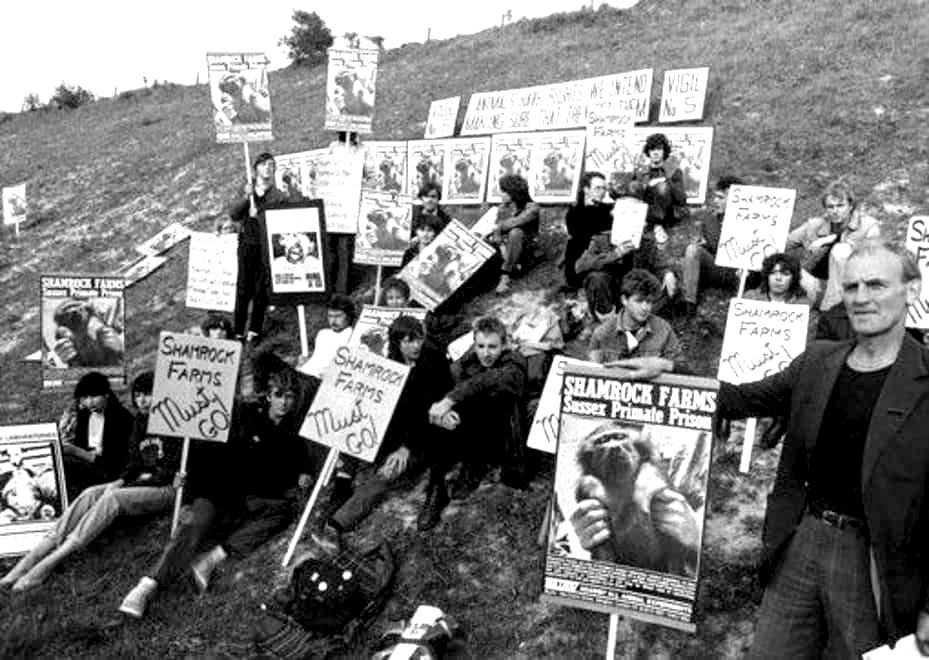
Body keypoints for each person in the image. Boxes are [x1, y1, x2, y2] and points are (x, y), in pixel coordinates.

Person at [712, 240, 929, 657]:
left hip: (876, 561)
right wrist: (671, 374)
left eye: (877, 285)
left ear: (912, 291)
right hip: (803, 537)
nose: (861, 298)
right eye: (851, 287)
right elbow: (743, 398)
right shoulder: (818, 360)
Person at [118, 367, 316, 618]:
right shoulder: (244, 416)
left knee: (281, 514)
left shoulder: (292, 433)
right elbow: (203, 456)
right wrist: (187, 498)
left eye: (290, 397)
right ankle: (148, 584)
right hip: (217, 491)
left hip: (250, 500)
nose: (284, 402)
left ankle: (212, 558)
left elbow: (302, 464)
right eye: (279, 395)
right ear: (268, 396)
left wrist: (303, 474)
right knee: (193, 522)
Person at [1, 371, 182, 592]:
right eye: (138, 395)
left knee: (112, 497)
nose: (142, 400)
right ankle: (31, 558)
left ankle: (50, 563)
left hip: (165, 489)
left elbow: (166, 473)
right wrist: (123, 480)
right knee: (90, 494)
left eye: (149, 394)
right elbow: (134, 462)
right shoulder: (141, 422)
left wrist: (126, 484)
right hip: (139, 481)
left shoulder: (175, 424)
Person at [313, 316, 455, 550]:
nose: (415, 346)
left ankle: (336, 525)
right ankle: (342, 483)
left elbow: (429, 411)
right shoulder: (392, 366)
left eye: (418, 339)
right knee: (353, 431)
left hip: (425, 435)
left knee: (388, 473)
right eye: (407, 341)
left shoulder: (434, 361)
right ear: (397, 343)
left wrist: (406, 448)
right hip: (396, 432)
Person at [427, 316, 529, 497]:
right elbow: (453, 374)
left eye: (492, 347)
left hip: (506, 431)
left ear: (504, 345)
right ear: (474, 345)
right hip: (477, 428)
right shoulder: (470, 359)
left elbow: (492, 379)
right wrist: (447, 410)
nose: (486, 353)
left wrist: (450, 400)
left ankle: (507, 469)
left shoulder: (515, 361)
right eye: (481, 346)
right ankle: (465, 469)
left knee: (500, 399)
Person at [785, 180, 880, 310]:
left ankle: (832, 310)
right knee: (788, 269)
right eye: (830, 207)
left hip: (852, 291)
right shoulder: (814, 225)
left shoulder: (868, 226)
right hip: (817, 286)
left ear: (851, 206)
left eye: (840, 206)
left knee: (841, 250)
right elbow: (782, 242)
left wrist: (833, 240)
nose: (835, 211)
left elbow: (874, 261)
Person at [225, 152, 290, 343]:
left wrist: (259, 215)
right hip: (247, 243)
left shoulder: (278, 195)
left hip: (266, 245)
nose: (268, 168)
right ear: (255, 169)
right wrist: (247, 198)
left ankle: (254, 330)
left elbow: (280, 223)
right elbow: (234, 215)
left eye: (271, 165)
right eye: (263, 165)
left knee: (261, 288)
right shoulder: (247, 189)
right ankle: (238, 330)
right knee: (243, 288)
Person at [587, 269, 684, 371]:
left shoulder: (663, 330)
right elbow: (591, 373)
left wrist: (661, 366)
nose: (645, 307)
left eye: (649, 302)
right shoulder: (602, 334)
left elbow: (680, 371)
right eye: (639, 301)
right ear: (624, 300)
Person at [58, 372, 134, 500]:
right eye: (85, 397)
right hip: (89, 464)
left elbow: (115, 462)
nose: (89, 402)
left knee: (66, 463)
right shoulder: (85, 415)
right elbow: (80, 444)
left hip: (110, 472)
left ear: (106, 394)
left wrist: (77, 452)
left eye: (94, 396)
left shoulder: (121, 419)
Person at [681, 176, 745, 316]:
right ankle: (688, 304)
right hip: (718, 268)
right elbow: (711, 246)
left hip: (741, 274)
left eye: (721, 198)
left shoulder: (751, 220)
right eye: (716, 197)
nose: (715, 201)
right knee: (692, 250)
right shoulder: (710, 219)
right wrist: (702, 246)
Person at [627, 133, 687, 245]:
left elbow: (681, 199)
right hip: (646, 210)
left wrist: (666, 181)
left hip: (667, 213)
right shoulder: (640, 172)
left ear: (664, 152)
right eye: (652, 149)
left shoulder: (674, 171)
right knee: (633, 185)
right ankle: (638, 224)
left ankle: (658, 225)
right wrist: (648, 185)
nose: (655, 152)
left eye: (659, 149)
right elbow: (634, 193)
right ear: (648, 152)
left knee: (662, 187)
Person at [488, 175, 541, 295]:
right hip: (505, 248)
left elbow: (514, 223)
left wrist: (498, 228)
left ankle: (505, 276)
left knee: (516, 232)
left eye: (503, 192)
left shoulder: (532, 208)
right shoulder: (503, 208)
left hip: (524, 251)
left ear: (512, 193)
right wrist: (500, 243)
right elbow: (495, 231)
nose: (500, 195)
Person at [562, 171, 614, 291]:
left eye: (604, 188)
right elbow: (588, 229)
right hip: (580, 266)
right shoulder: (574, 213)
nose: (602, 192)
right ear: (586, 190)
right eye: (597, 188)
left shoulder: (604, 208)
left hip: (600, 260)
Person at [298, 294, 356, 383]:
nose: (333, 321)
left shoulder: (352, 336)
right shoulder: (323, 333)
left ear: (349, 316)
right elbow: (318, 358)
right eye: (330, 316)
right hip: (304, 376)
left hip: (320, 383)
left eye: (338, 316)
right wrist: (305, 362)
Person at [50, 298, 124, 367]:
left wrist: (120, 347)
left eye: (79, 309)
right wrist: (58, 361)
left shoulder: (101, 326)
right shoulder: (65, 335)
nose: (75, 312)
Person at [742, 252, 810, 306]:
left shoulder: (803, 305)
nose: (778, 278)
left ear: (794, 278)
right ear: (767, 276)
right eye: (773, 273)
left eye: (785, 274)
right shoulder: (750, 297)